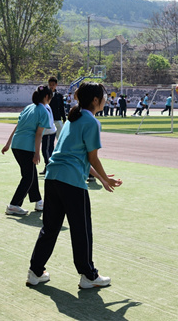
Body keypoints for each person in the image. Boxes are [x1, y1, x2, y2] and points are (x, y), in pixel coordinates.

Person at [26, 82, 122, 289]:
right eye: (104, 97)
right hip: (71, 182)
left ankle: (35, 271)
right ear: (95, 100)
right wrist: (105, 178)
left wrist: (103, 179)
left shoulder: (73, 118)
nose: (106, 100)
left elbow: (78, 158)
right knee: (82, 229)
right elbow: (92, 158)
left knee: (50, 228)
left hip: (53, 177)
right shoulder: (91, 121)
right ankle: (88, 275)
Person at [1, 85, 52, 215]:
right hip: (26, 147)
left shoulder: (28, 107)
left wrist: (8, 143)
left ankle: (39, 201)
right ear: (46, 97)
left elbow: (17, 126)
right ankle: (14, 205)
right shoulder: (43, 111)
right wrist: (37, 153)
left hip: (16, 145)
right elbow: (38, 135)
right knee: (28, 177)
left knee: (31, 174)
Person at [40, 98, 57, 175]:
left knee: (46, 150)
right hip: (48, 132)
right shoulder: (45, 106)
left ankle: (50, 167)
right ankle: (48, 166)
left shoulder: (44, 107)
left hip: (48, 132)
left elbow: (48, 122)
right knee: (48, 150)